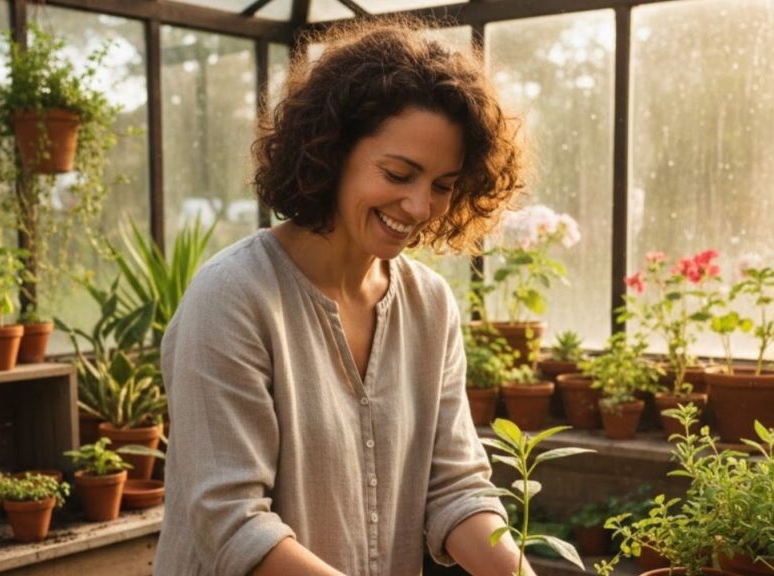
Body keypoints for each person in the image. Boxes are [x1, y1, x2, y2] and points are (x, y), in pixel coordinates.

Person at [153, 17, 533, 576]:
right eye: (399, 173)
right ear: (330, 152)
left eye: (443, 185)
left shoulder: (428, 307)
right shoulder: (233, 296)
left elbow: (455, 486)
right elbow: (234, 525)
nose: (420, 206)